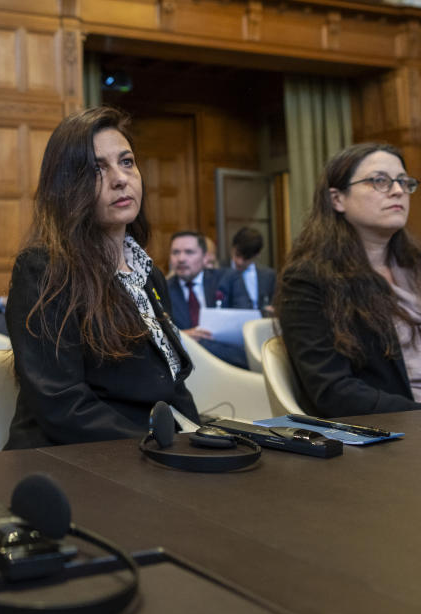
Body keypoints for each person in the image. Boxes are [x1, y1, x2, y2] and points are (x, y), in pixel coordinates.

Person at [4, 106, 199, 449]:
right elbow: (62, 405)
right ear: (67, 185)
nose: (121, 178)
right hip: (74, 460)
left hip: (150, 453)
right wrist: (161, 449)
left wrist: (202, 440)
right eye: (98, 169)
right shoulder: (43, 270)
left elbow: (171, 386)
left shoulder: (149, 273)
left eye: (127, 162)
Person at [278, 142, 421, 418]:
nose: (398, 191)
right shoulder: (310, 279)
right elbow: (334, 393)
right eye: (379, 181)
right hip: (396, 431)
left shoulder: (415, 266)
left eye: (404, 182)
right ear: (337, 199)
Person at [166, 230, 251, 369]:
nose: (181, 258)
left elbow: (245, 321)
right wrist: (182, 336)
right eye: (175, 252)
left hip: (229, 361)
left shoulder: (228, 279)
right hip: (187, 364)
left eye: (189, 252)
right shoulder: (162, 289)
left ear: (205, 257)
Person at [230, 226, 276, 312]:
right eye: (237, 255)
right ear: (232, 247)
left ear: (257, 255)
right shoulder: (219, 272)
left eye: (246, 258)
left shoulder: (268, 276)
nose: (239, 262)